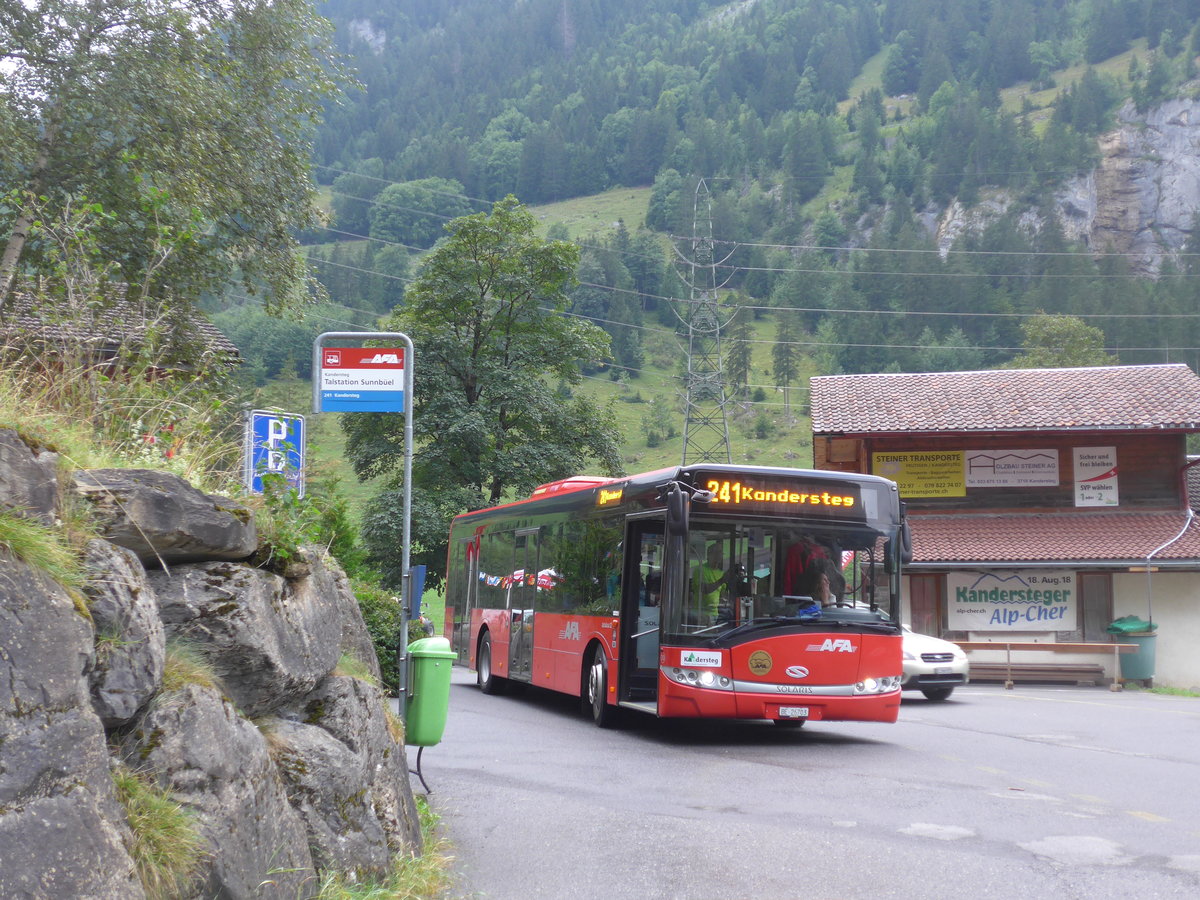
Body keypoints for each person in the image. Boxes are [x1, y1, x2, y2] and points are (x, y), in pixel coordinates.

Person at [783, 535, 843, 606]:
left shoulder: (833, 597)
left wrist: (826, 598)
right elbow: (788, 580)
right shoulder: (797, 551)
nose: (828, 582)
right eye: (825, 580)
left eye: (827, 580)